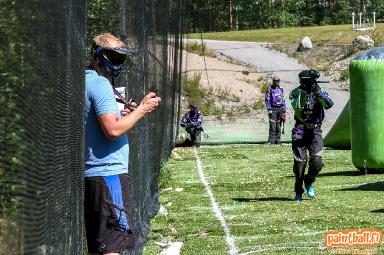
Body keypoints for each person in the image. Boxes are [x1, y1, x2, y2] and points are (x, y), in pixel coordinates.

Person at [84, 33, 161, 255]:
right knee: (113, 247)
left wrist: (125, 113)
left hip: (94, 176)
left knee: (100, 246)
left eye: (121, 58)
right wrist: (142, 110)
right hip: (108, 174)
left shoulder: (85, 80)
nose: (117, 63)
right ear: (98, 55)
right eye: (113, 57)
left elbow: (101, 123)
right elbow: (112, 130)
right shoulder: (99, 84)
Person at [289, 69, 333, 202]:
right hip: (300, 129)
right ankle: (298, 190)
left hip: (315, 129)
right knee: (299, 163)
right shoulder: (295, 93)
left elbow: (329, 104)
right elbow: (298, 107)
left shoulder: (319, 90)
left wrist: (318, 92)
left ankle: (309, 181)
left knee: (317, 161)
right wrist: (306, 93)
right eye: (304, 81)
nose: (304, 83)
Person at [265, 75, 286, 144]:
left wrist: (284, 109)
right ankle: (271, 140)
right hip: (273, 109)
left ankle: (278, 140)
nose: (276, 82)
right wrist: (269, 108)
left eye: (278, 81)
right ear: (273, 81)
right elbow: (267, 99)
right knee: (272, 125)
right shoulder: (270, 88)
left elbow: (283, 99)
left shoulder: (281, 88)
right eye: (275, 81)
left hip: (280, 108)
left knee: (278, 125)